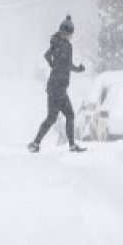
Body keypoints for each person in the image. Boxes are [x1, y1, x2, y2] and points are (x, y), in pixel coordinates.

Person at [28, 15, 87, 153]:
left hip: (53, 86)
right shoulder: (66, 46)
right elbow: (66, 65)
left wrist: (53, 65)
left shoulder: (56, 43)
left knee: (52, 118)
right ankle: (71, 145)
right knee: (69, 115)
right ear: (67, 33)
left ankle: (36, 143)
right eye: (70, 34)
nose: (70, 36)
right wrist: (76, 69)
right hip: (59, 87)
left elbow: (47, 56)